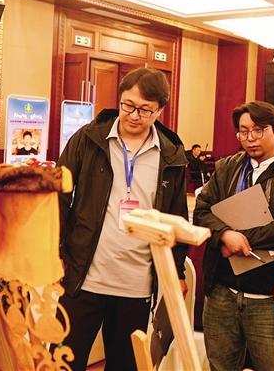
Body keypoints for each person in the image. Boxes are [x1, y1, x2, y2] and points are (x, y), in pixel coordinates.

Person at [56, 67, 189, 371]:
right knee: (62, 363)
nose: (133, 115)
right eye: (128, 105)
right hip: (83, 278)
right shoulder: (88, 138)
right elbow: (58, 195)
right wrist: (56, 252)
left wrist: (177, 270)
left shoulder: (170, 154)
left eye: (145, 110)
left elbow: (176, 218)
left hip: (136, 284)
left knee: (125, 365)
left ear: (160, 110)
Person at [194, 101, 274, 371]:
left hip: (268, 297)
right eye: (243, 131)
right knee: (219, 365)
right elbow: (202, 210)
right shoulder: (227, 168)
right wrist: (224, 235)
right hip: (222, 292)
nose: (250, 138)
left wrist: (240, 238)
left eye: (258, 130)